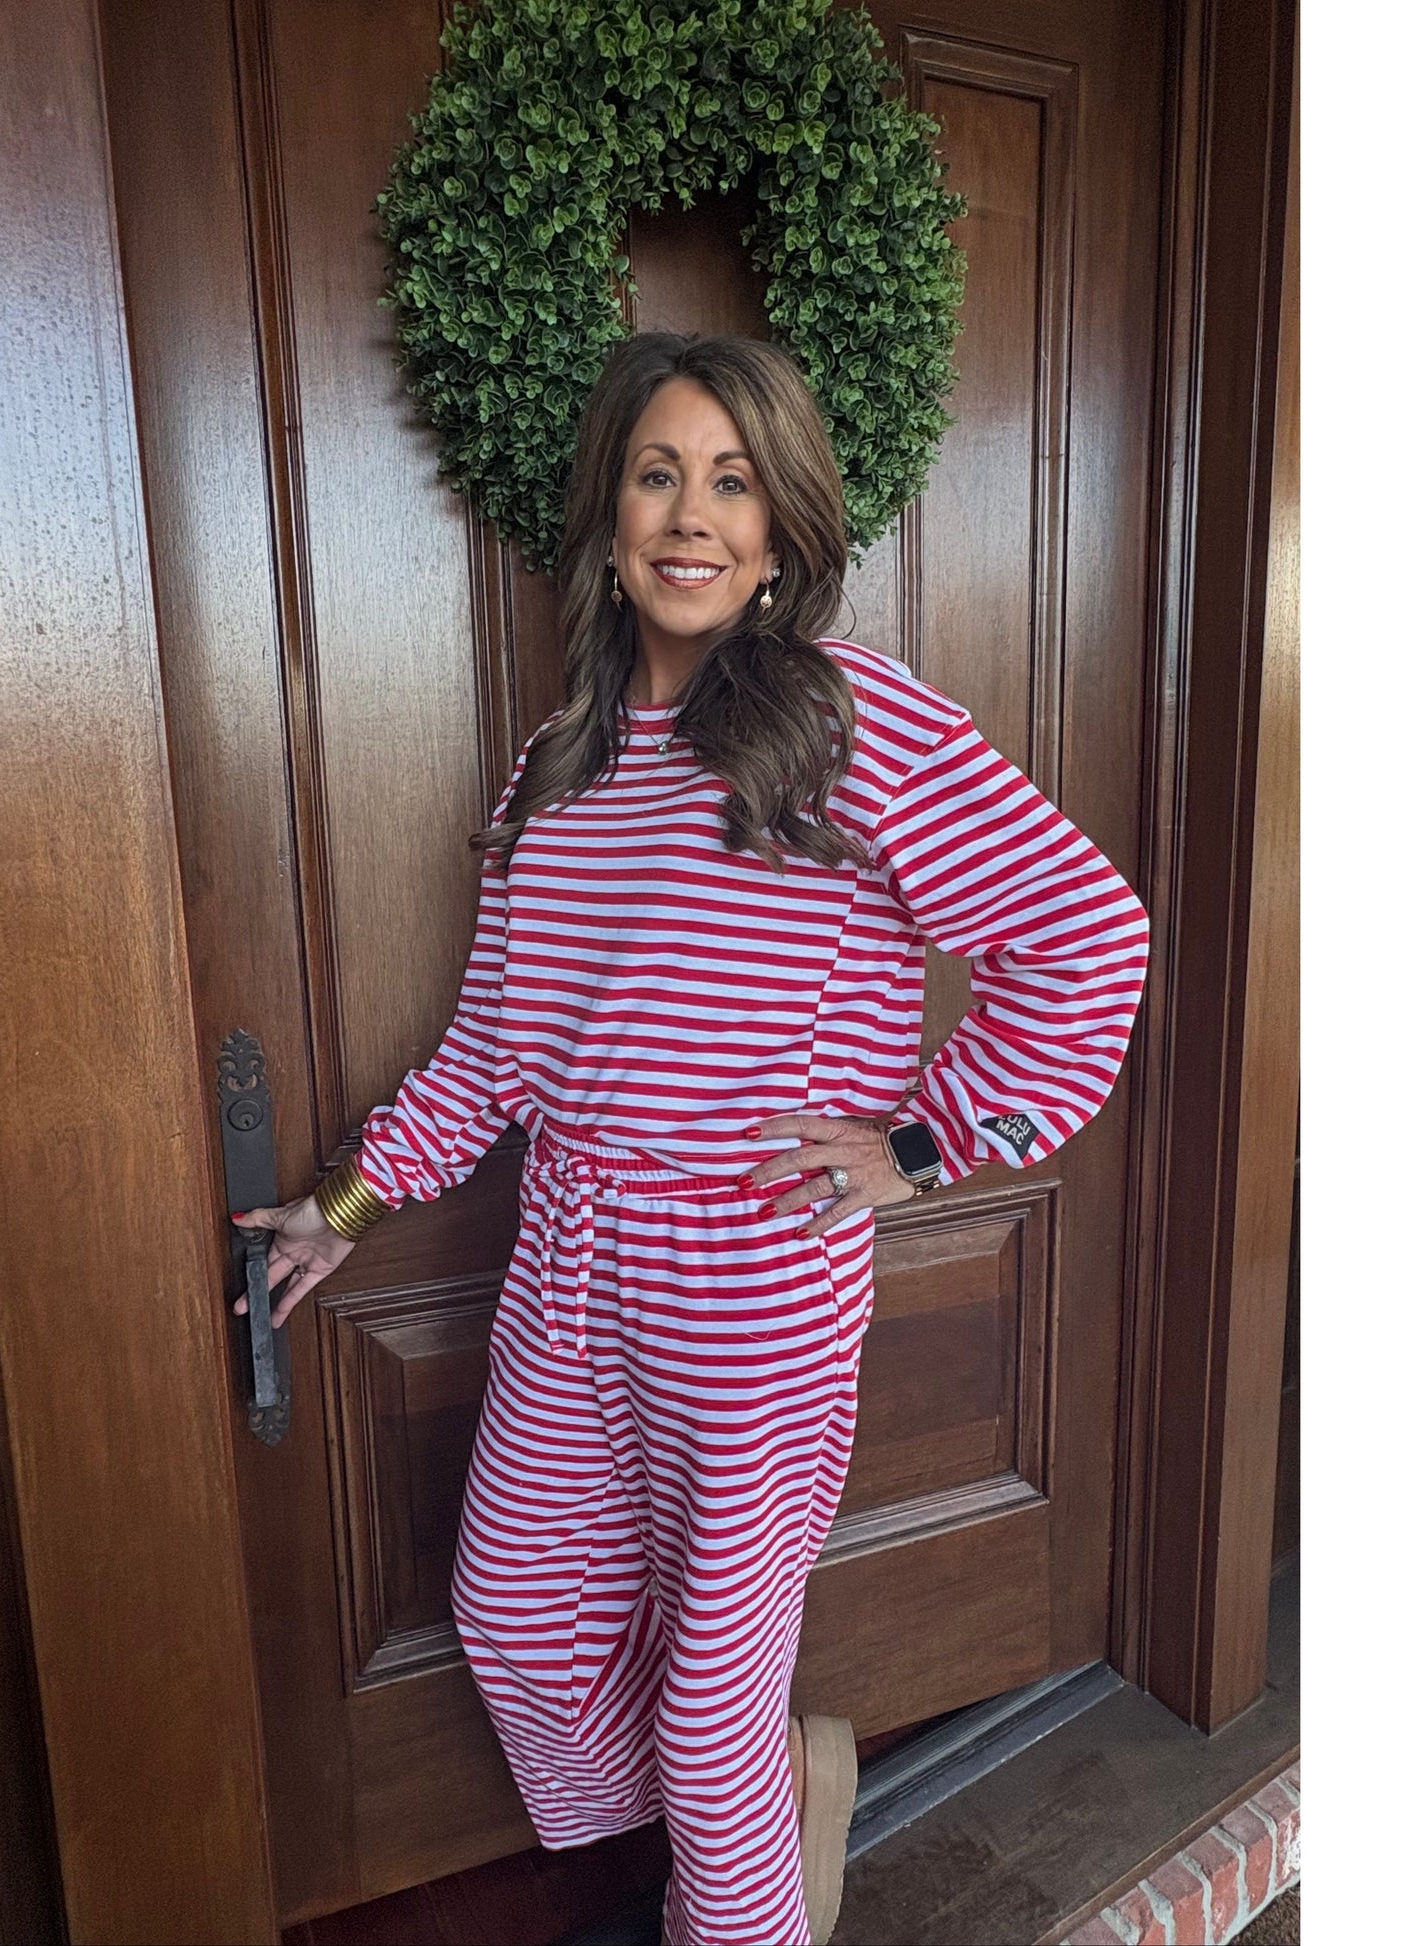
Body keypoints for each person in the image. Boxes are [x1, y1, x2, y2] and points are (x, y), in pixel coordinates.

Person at [233, 333, 1150, 1946]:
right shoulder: (557, 766)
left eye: (732, 480)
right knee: (517, 1614)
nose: (691, 514)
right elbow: (500, 1046)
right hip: (568, 1257)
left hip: (749, 1273)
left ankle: (739, 1907)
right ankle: (775, 1803)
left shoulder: (845, 717)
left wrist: (916, 1146)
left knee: (708, 1683)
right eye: (658, 471)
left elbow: (1086, 934)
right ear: (607, 512)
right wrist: (344, 1206)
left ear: (783, 528)